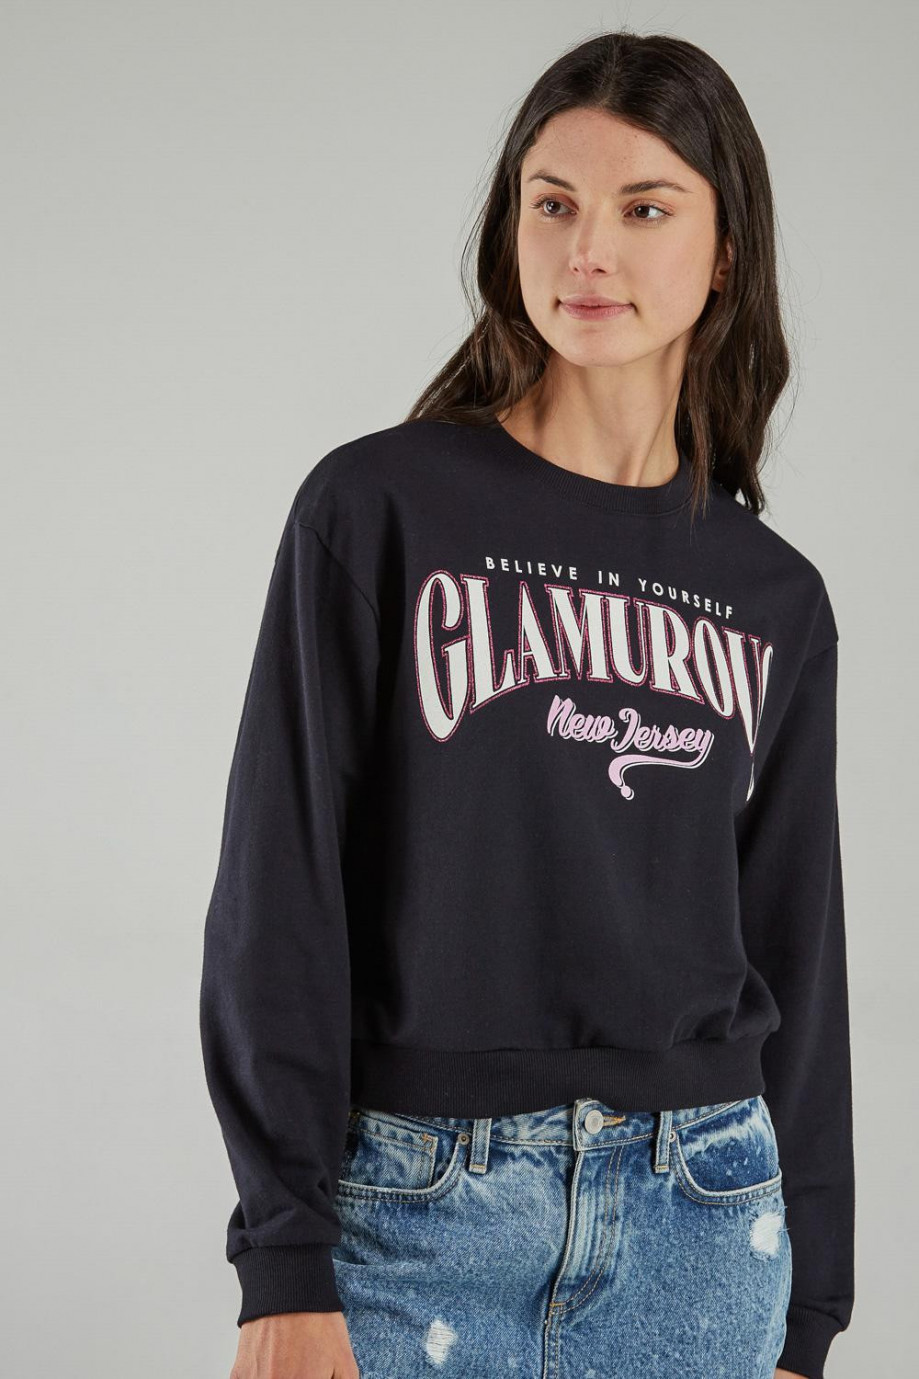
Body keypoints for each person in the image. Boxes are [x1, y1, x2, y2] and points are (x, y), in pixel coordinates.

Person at [199, 28, 854, 1379]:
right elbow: (281, 887)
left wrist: (810, 1314)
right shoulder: (379, 510)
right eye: (552, 205)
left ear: (726, 255)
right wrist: (284, 1256)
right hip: (415, 1210)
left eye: (644, 209)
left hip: (704, 1217)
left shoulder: (773, 595)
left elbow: (798, 950)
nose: (586, 251)